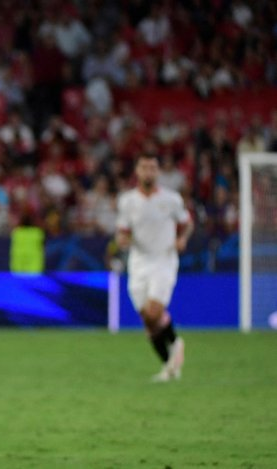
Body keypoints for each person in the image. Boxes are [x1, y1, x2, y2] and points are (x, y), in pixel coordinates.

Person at [116, 154, 193, 382]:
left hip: (163, 260)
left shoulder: (171, 199)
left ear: (158, 172)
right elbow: (123, 230)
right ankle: (170, 365)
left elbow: (187, 223)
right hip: (138, 263)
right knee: (148, 320)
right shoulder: (127, 201)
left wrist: (182, 239)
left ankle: (176, 343)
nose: (148, 171)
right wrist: (122, 239)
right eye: (144, 167)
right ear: (137, 171)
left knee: (153, 312)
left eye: (152, 167)